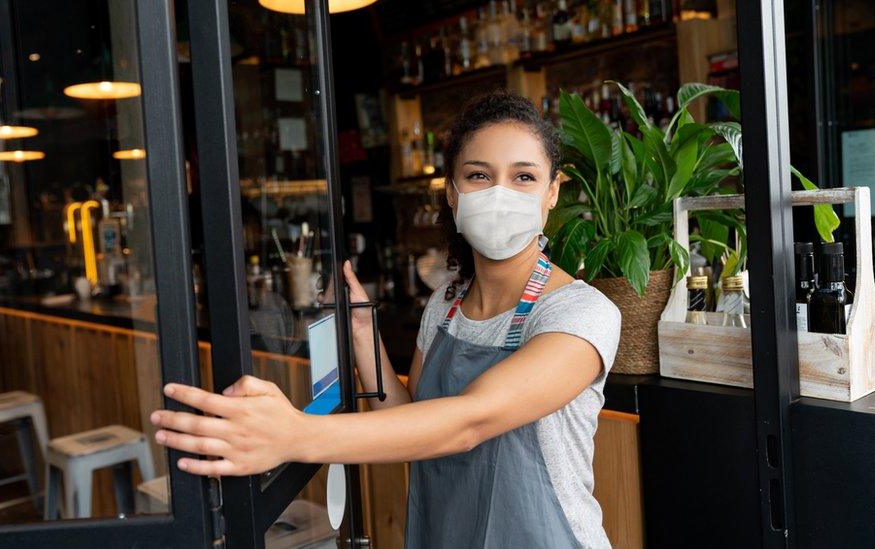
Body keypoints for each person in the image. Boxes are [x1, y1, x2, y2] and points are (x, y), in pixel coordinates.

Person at [150, 90, 622, 548]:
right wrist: (362, 334)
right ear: (452, 193)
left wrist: (294, 435)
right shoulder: (446, 303)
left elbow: (468, 422)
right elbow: (408, 422)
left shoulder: (579, 313)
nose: (501, 193)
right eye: (479, 175)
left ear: (552, 192)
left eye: (523, 177)